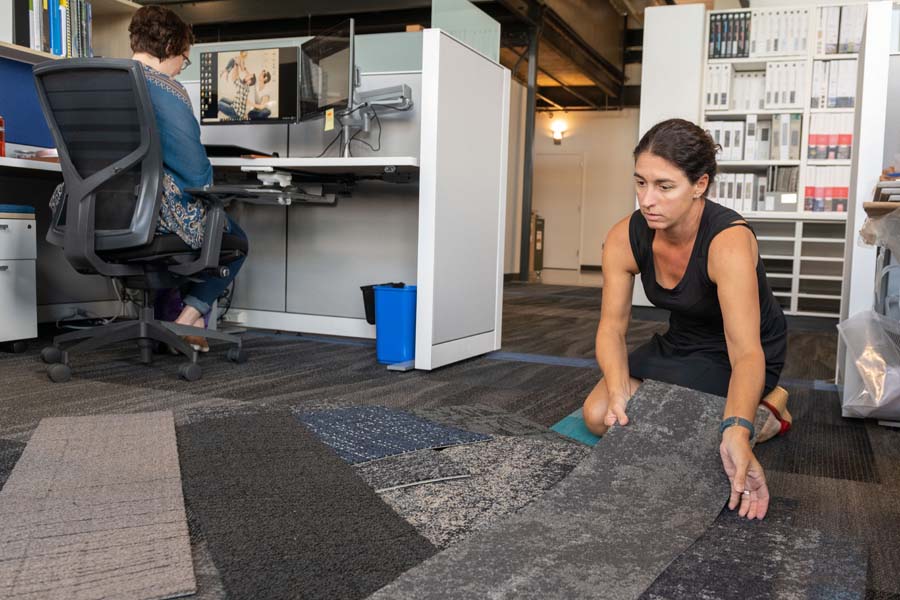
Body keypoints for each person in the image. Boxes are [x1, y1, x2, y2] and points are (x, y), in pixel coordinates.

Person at [582, 118, 789, 521]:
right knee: (597, 415)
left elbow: (746, 351)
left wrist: (737, 428)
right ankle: (712, 410)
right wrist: (618, 388)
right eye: (640, 182)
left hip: (742, 349)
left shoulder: (727, 240)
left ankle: (771, 406)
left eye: (664, 186)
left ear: (700, 185)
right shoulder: (625, 235)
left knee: (713, 436)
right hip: (682, 341)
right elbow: (611, 327)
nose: (647, 199)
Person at [49, 4, 248, 352]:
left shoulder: (96, 83)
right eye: (184, 59)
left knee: (182, 228)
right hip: (146, 217)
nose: (180, 67)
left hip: (88, 213)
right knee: (236, 239)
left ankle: (173, 318)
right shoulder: (167, 91)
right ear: (171, 48)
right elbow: (196, 174)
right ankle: (186, 320)